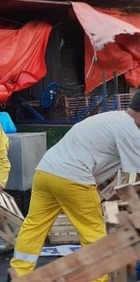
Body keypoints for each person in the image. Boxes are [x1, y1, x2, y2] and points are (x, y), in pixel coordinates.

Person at [9, 91, 140, 282]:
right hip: (73, 178)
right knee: (92, 232)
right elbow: (135, 175)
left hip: (45, 172)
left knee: (34, 225)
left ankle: (18, 273)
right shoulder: (131, 132)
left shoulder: (111, 118)